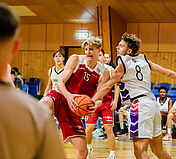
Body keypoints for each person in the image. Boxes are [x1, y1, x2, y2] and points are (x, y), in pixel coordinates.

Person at [92, 32, 176, 159]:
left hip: (140, 105)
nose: (117, 47)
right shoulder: (144, 60)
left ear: (129, 50)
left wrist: (92, 99)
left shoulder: (122, 64)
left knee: (139, 151)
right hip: (152, 105)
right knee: (158, 150)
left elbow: (107, 86)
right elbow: (167, 73)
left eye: (121, 46)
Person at [0, 2, 65, 159]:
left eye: (60, 56)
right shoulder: (36, 115)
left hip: (62, 98)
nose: (58, 58)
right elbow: (49, 83)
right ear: (16, 46)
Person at [39, 36, 109, 159]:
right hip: (61, 96)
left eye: (91, 49)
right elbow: (60, 83)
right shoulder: (76, 59)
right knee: (44, 102)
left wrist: (94, 106)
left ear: (99, 50)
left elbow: (99, 98)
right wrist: (69, 96)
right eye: (86, 49)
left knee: (83, 152)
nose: (88, 52)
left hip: (74, 109)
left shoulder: (103, 72)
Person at [85, 50, 118, 159]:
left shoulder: (110, 69)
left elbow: (116, 86)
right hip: (92, 102)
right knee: (89, 128)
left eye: (100, 55)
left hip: (107, 102)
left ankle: (112, 154)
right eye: (97, 55)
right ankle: (88, 148)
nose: (98, 57)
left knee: (109, 129)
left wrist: (116, 100)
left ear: (104, 57)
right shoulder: (88, 69)